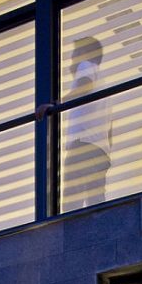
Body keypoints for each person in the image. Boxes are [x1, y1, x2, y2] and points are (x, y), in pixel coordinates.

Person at [61, 35, 114, 209]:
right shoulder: (104, 84)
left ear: (84, 53)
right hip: (100, 152)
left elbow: (85, 86)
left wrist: (55, 105)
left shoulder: (86, 66)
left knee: (71, 204)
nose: (71, 59)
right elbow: (109, 132)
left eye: (74, 53)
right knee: (96, 203)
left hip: (83, 146)